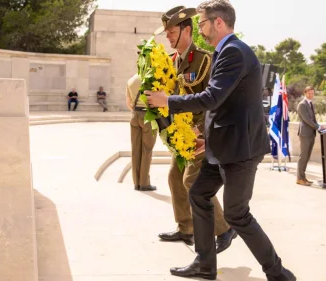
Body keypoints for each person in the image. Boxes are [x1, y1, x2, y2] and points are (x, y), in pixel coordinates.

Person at [145, 1, 295, 280]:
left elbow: (211, 98)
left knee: (238, 214)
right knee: (198, 193)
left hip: (240, 150)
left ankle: (278, 273)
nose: (199, 29)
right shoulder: (225, 51)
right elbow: (223, 106)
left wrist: (167, 101)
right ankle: (205, 263)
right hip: (223, 145)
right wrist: (208, 140)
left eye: (201, 24)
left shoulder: (234, 53)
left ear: (218, 23)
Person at [153, 5, 236, 253]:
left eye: (171, 31)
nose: (167, 36)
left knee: (193, 180)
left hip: (199, 132)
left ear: (187, 30)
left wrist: (207, 131)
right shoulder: (169, 62)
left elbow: (216, 99)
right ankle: (185, 227)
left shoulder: (204, 60)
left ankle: (224, 229)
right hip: (179, 133)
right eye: (166, 32)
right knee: (174, 177)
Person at [126, 73, 158, 191]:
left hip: (134, 115)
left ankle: (136, 182)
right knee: (147, 149)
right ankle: (144, 183)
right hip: (147, 116)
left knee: (135, 149)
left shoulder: (131, 79)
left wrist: (136, 112)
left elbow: (128, 102)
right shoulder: (152, 78)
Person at [296, 86, 326, 186]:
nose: (311, 95)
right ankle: (299, 178)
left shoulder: (310, 103)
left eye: (312, 93)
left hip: (311, 133)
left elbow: (313, 119)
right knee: (303, 156)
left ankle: (303, 178)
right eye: (309, 93)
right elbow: (307, 120)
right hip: (305, 134)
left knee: (307, 157)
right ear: (305, 93)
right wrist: (318, 127)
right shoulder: (302, 105)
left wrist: (320, 126)